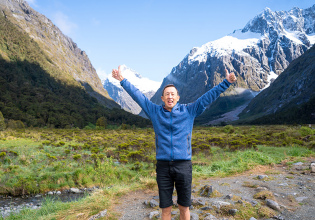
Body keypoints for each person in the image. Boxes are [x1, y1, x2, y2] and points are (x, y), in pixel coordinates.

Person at [112, 66, 237, 220]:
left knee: (184, 207)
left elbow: (207, 97)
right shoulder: (154, 111)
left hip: (183, 165)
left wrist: (226, 82)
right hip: (163, 167)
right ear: (162, 98)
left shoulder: (189, 110)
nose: (170, 97)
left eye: (172, 94)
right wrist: (122, 81)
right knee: (165, 208)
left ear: (178, 97)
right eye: (166, 95)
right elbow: (139, 97)